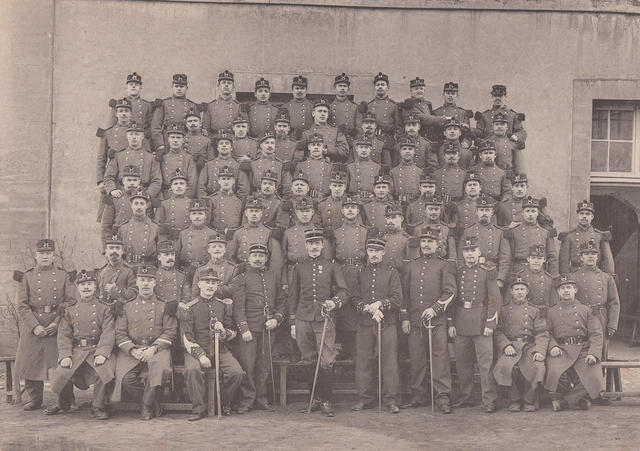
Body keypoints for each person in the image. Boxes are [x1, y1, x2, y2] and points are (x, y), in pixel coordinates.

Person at [288, 228, 349, 417]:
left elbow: (344, 291)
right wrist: (293, 322)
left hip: (324, 319)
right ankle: (314, 399)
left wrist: (334, 302)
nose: (314, 246)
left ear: (322, 245)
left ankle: (327, 401)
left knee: (327, 361)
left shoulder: (331, 266)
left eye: (317, 243)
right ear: (306, 246)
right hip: (303, 319)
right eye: (310, 243)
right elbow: (293, 295)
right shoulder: (299, 267)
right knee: (308, 360)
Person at [14, 239, 76, 411]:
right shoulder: (27, 276)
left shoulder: (64, 275)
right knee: (32, 361)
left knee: (61, 361)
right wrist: (35, 326)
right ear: (36, 255)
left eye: (48, 253)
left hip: (58, 323)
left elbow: (70, 302)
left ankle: (65, 398)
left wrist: (57, 322)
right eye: (42, 253)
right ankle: (34, 398)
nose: (45, 256)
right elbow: (22, 305)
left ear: (53, 255)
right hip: (34, 324)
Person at [400, 226, 456, 413]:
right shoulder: (411, 265)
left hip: (437, 321)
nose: (426, 244)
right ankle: (419, 395)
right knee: (417, 358)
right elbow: (404, 294)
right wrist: (405, 317)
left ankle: (443, 396)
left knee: (440, 359)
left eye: (430, 241)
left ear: (437, 244)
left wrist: (435, 309)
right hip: (415, 321)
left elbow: (450, 292)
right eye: (423, 241)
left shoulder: (444, 265)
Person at [46, 269, 115, 420]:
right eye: (83, 284)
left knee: (104, 370)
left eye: (89, 284)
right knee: (62, 371)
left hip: (95, 349)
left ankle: (98, 406)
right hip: (76, 350)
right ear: (78, 287)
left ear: (95, 286)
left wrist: (102, 353)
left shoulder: (105, 308)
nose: (86, 287)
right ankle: (63, 403)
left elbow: (108, 333)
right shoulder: (70, 310)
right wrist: (66, 355)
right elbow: (64, 335)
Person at [113, 265, 177, 420]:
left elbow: (170, 331)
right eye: (142, 280)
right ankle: (152, 400)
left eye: (149, 280)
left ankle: (146, 405)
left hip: (157, 349)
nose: (146, 283)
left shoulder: (164, 305)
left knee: (159, 372)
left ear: (154, 283)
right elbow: (120, 333)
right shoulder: (127, 306)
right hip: (133, 350)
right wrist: (132, 350)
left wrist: (153, 348)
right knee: (126, 380)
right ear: (137, 282)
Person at [181, 268, 244, 420]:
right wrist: (200, 355)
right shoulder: (190, 307)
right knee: (192, 370)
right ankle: (198, 408)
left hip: (219, 350)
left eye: (213, 283)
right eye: (206, 282)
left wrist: (223, 331)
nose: (210, 286)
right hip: (196, 350)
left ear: (217, 286)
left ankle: (221, 402)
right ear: (199, 284)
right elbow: (186, 338)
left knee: (236, 372)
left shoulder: (223, 305)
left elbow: (232, 331)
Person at [350, 237, 403, 413]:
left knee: (389, 362)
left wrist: (380, 304)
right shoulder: (360, 273)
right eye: (370, 251)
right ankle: (364, 398)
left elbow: (397, 299)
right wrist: (367, 308)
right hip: (365, 323)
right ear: (367, 252)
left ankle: (391, 399)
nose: (373, 254)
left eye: (377, 251)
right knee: (363, 361)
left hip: (387, 323)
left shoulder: (391, 273)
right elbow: (354, 298)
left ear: (383, 252)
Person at [232, 243, 286, 413]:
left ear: (266, 258)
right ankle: (247, 400)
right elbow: (238, 307)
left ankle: (261, 399)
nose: (257, 259)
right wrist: (244, 328)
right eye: (254, 255)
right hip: (249, 329)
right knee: (247, 366)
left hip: (268, 328)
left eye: (261, 256)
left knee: (264, 366)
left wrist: (277, 319)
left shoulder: (273, 276)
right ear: (248, 258)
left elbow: (282, 302)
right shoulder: (241, 278)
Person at [449, 236, 500, 413]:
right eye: (466, 251)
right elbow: (452, 298)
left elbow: (495, 300)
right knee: (462, 363)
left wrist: (490, 324)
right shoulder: (458, 272)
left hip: (481, 321)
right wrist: (451, 323)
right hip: (461, 321)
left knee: (485, 364)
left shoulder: (487, 271)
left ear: (479, 252)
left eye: (473, 251)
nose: (469, 254)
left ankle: (489, 400)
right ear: (462, 253)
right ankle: (466, 397)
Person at [544, 274, 604, 412]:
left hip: (583, 349)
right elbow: (546, 332)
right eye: (562, 288)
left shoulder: (586, 310)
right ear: (558, 292)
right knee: (554, 372)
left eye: (569, 287)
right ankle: (579, 400)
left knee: (595, 376)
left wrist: (593, 353)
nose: (566, 290)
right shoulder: (551, 311)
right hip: (561, 349)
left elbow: (596, 333)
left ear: (575, 290)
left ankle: (565, 402)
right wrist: (552, 346)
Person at [493, 275, 548, 412]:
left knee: (537, 367)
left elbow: (542, 333)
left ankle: (529, 400)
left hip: (529, 346)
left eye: (522, 289)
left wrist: (540, 351)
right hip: (511, 346)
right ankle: (515, 399)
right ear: (511, 292)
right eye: (516, 289)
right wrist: (505, 345)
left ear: (527, 291)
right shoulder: (503, 310)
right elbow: (498, 331)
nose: (519, 292)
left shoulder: (534, 310)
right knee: (503, 367)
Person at [572, 240, 620, 358]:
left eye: (593, 254)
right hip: (581, 317)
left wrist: (612, 324)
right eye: (586, 254)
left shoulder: (606, 277)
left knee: (601, 351)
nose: (590, 257)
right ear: (581, 257)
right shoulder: (573, 277)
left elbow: (614, 302)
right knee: (581, 351)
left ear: (597, 257)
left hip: (600, 317)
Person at [103, 121, 162, 207]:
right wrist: (112, 190)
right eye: (131, 134)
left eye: (137, 134)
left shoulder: (151, 158)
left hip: (143, 196)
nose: (134, 137)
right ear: (127, 136)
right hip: (122, 195)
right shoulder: (118, 156)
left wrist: (147, 194)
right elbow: (108, 176)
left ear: (142, 136)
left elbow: (157, 180)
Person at [459, 194, 511, 287]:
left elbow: (505, 259)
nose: (484, 213)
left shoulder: (499, 232)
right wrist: (463, 275)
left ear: (492, 212)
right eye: (481, 210)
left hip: (492, 272)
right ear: (477, 212)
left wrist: (500, 279)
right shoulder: (468, 231)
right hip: (472, 271)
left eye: (487, 210)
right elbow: (460, 257)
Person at [226, 196, 284, 272]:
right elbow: (230, 257)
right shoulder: (238, 232)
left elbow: (276, 259)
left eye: (257, 211)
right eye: (251, 211)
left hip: (262, 272)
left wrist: (271, 276)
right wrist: (236, 272)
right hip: (242, 271)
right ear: (246, 213)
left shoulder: (269, 232)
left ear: (261, 213)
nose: (254, 214)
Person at [559, 200, 615, 274]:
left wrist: (608, 276)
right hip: (575, 275)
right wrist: (567, 278)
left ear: (592, 217)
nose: (584, 216)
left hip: (595, 275)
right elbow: (564, 265)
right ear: (577, 216)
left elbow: (608, 262)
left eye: (587, 214)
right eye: (581, 213)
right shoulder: (569, 236)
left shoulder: (599, 236)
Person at [506, 196, 559, 276]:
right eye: (527, 211)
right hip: (519, 272)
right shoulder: (514, 232)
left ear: (537, 213)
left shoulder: (545, 232)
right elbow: (509, 257)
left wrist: (554, 276)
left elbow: (552, 257)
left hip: (539, 272)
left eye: (533, 211)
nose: (530, 214)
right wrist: (510, 275)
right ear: (522, 213)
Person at [151, 74, 198, 155]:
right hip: (167, 140)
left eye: (182, 86)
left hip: (186, 139)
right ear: (172, 87)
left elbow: (196, 128)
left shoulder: (192, 105)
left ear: (186, 88)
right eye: (176, 86)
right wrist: (160, 145)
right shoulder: (164, 103)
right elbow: (155, 126)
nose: (179, 89)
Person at [101, 164, 146, 246]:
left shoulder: (145, 199)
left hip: (139, 239)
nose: (132, 183)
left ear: (139, 182)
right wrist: (106, 248)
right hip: (119, 241)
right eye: (129, 180)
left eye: (135, 180)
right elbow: (106, 226)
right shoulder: (114, 198)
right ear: (123, 181)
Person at [197, 130, 250, 199]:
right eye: (221, 143)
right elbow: (201, 186)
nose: (224, 145)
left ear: (231, 148)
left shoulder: (238, 165)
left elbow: (243, 188)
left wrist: (236, 202)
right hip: (211, 199)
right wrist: (205, 200)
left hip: (230, 199)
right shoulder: (209, 165)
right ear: (217, 148)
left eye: (227, 143)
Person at [473, 84, 527, 150]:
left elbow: (522, 132)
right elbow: (478, 133)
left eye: (500, 96)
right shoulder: (484, 116)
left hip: (507, 149)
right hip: (488, 150)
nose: (498, 98)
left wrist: (516, 136)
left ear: (505, 97)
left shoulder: (513, 115)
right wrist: (469, 130)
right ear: (492, 97)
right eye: (495, 96)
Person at [189, 232, 242, 299]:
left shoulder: (233, 269)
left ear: (225, 250)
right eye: (214, 247)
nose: (217, 249)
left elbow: (234, 290)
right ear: (209, 250)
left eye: (220, 246)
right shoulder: (200, 270)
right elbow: (195, 294)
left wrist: (209, 288)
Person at [96, 233, 137, 311]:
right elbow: (97, 295)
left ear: (122, 251)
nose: (114, 251)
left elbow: (134, 294)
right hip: (104, 312)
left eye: (117, 248)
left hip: (123, 311)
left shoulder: (129, 271)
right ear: (106, 251)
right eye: (111, 248)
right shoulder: (101, 272)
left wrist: (118, 291)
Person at [300, 98, 350, 163]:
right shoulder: (306, 133)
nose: (322, 114)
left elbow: (345, 150)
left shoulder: (336, 132)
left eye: (325, 111)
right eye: (320, 111)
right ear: (313, 113)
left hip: (332, 165)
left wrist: (328, 151)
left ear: (328, 115)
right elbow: (301, 155)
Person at [117, 188, 159, 264]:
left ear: (147, 206)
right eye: (136, 203)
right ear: (131, 206)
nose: (139, 207)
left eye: (142, 204)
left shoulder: (155, 227)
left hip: (148, 267)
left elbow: (160, 253)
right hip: (128, 266)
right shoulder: (123, 227)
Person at [157, 122, 197, 199]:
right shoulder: (162, 158)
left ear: (183, 140)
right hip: (166, 196)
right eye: (172, 137)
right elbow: (158, 182)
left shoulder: (188, 158)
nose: (175, 140)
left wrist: (186, 198)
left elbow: (192, 182)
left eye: (178, 138)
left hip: (184, 196)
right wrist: (162, 200)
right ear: (168, 139)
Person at [288, 133, 334, 200]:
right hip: (305, 200)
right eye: (313, 145)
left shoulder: (330, 167)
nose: (316, 147)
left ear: (323, 147)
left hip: (324, 200)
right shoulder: (300, 165)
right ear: (309, 147)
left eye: (319, 145)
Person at [510, 245, 555, 315]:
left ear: (544, 260)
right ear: (528, 259)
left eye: (539, 258)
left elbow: (553, 304)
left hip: (543, 315)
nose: (536, 261)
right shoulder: (519, 276)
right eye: (533, 258)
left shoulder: (549, 279)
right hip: (524, 314)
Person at [108, 72, 154, 139]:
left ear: (141, 87)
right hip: (122, 137)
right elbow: (111, 126)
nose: (133, 86)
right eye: (131, 84)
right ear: (126, 86)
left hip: (141, 139)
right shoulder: (118, 104)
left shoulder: (147, 105)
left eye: (136, 84)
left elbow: (152, 127)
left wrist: (144, 135)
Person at [409, 195, 456, 260]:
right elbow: (414, 255)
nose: (433, 212)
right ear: (425, 210)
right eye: (430, 209)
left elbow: (452, 255)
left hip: (442, 263)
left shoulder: (446, 229)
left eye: (436, 209)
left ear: (440, 211)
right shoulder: (418, 229)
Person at [430, 82, 473, 147]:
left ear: (457, 95)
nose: (450, 96)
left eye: (453, 93)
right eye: (448, 93)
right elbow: (432, 133)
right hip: (441, 146)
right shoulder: (436, 113)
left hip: (459, 145)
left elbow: (468, 134)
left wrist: (466, 143)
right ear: (443, 94)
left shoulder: (463, 113)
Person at [176, 199, 216, 266]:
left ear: (205, 216)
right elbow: (176, 255)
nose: (197, 217)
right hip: (187, 269)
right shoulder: (183, 234)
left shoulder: (212, 233)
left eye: (200, 213)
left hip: (206, 269)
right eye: (194, 214)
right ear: (189, 216)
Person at [156, 169, 192, 239]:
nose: (179, 186)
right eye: (175, 184)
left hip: (187, 238)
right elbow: (159, 225)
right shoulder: (164, 204)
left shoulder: (191, 203)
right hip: (170, 238)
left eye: (182, 183)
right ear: (171, 187)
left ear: (186, 186)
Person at [207, 166, 244, 232]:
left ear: (233, 181)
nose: (226, 182)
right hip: (217, 234)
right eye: (223, 179)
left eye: (228, 179)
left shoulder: (238, 201)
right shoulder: (212, 200)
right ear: (219, 181)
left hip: (234, 235)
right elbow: (207, 224)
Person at [348, 137, 382, 202]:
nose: (363, 150)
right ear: (356, 149)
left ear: (370, 149)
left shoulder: (377, 167)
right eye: (361, 147)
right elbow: (345, 189)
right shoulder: (350, 167)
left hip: (372, 201)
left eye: (366, 147)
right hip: (355, 201)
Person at [380, 203, 410, 273]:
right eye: (388, 218)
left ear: (401, 219)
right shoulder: (381, 238)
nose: (390, 221)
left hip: (400, 276)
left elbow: (412, 267)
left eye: (393, 217)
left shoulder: (408, 239)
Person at [390, 137, 421, 204]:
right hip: (398, 204)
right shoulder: (393, 172)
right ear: (400, 152)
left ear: (414, 152)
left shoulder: (420, 172)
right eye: (404, 149)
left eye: (410, 149)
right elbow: (389, 193)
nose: (407, 151)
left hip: (415, 204)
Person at [329, 73, 358, 138]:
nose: (342, 88)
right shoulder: (329, 107)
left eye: (345, 86)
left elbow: (359, 129)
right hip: (334, 139)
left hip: (350, 139)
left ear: (348, 89)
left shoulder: (354, 107)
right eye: (340, 86)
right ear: (335, 88)